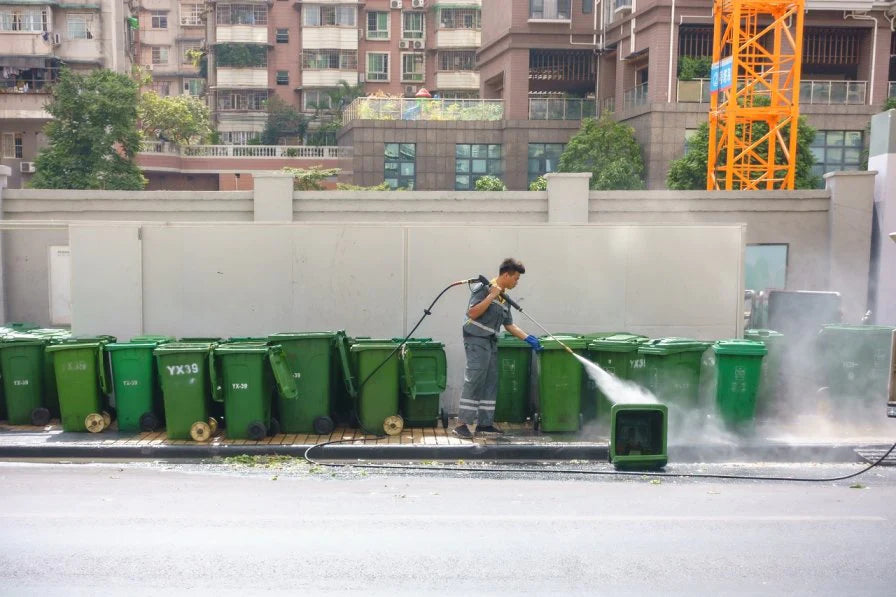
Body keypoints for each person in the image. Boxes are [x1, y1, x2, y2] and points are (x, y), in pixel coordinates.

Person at [454, 258, 542, 438]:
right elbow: (472, 313)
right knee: (475, 379)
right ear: (506, 274)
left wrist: (528, 339)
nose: (517, 282)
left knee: (490, 382)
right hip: (476, 339)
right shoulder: (485, 289)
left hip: (491, 341)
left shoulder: (505, 298)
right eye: (516, 278)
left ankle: (484, 424)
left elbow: (508, 324)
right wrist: (491, 295)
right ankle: (461, 424)